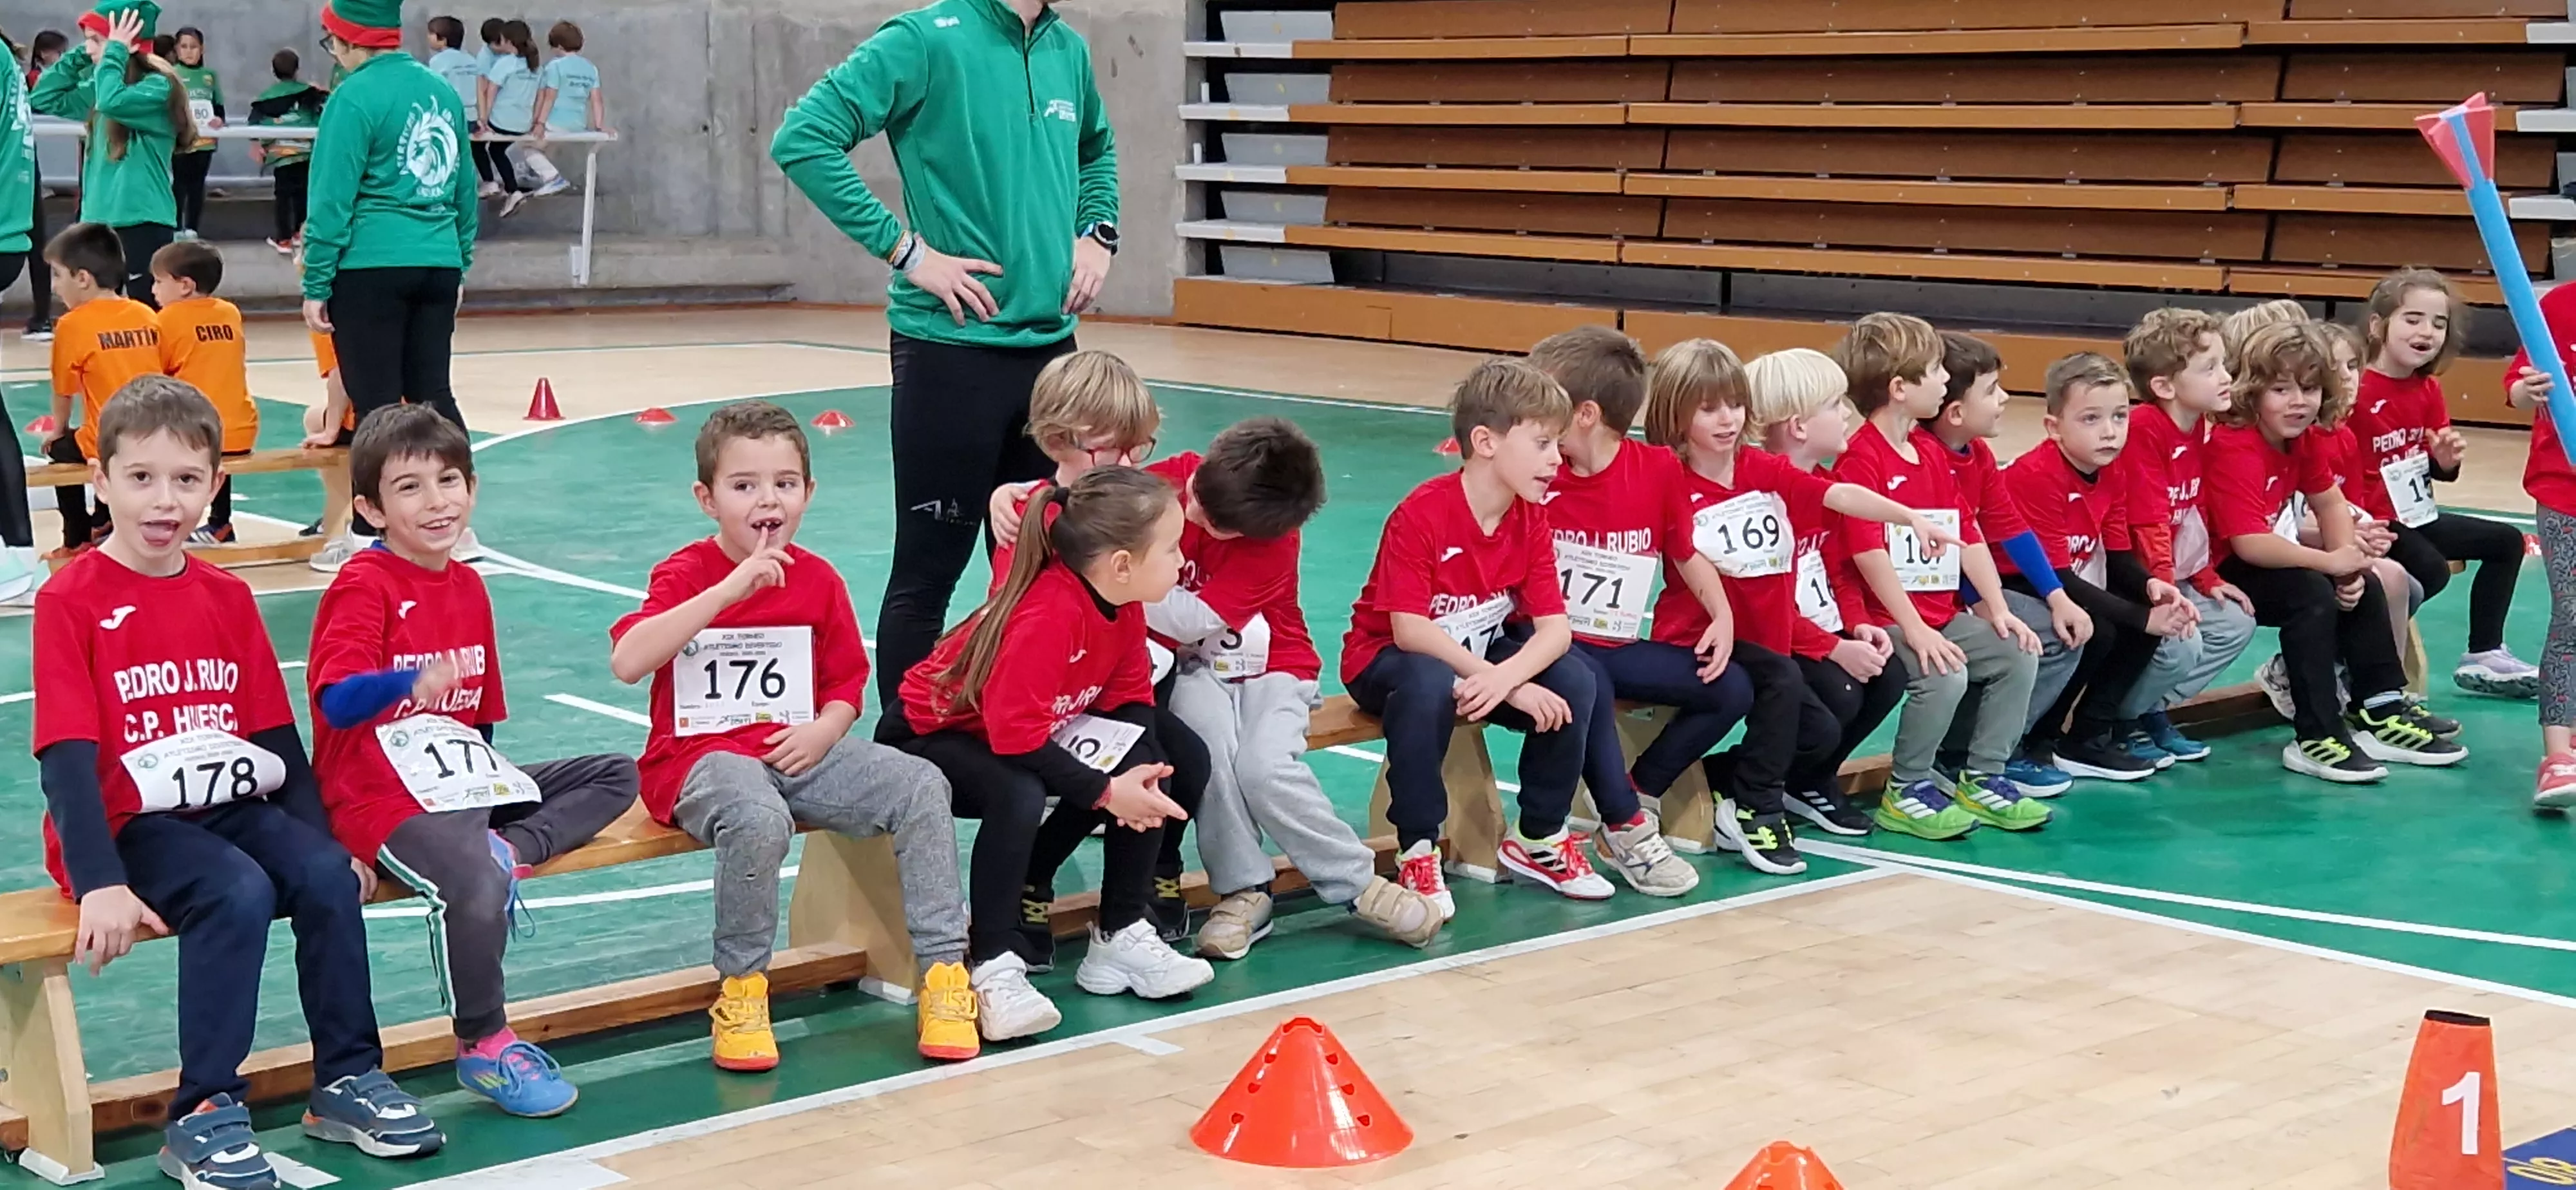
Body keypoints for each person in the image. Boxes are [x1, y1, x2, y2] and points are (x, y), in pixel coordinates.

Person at [33, 377, 444, 1190]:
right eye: (142, 478)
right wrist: (100, 883)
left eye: (187, 481)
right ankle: (204, 1110)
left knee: (326, 875)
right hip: (128, 829)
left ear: (216, 484)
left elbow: (271, 736)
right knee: (236, 890)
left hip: (225, 805)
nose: (165, 501)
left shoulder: (225, 595)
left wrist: (324, 840)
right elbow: (67, 756)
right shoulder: (70, 598)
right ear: (101, 481)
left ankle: (346, 1079)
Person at [771, 0, 1120, 717]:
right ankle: (905, 751)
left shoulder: (1066, 50)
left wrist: (1098, 232)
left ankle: (1031, 732)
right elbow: (804, 139)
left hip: (1052, 355)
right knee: (928, 572)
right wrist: (907, 253)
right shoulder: (923, 40)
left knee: (1055, 564)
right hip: (950, 350)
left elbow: (1096, 150)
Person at [608, 401, 982, 1068]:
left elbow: (846, 683)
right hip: (703, 760)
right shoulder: (686, 573)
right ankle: (743, 988)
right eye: (744, 485)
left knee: (921, 783)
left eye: (784, 483)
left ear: (808, 493)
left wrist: (824, 730)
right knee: (756, 814)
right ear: (707, 498)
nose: (766, 500)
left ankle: (944, 974)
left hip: (799, 753)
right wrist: (726, 592)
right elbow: (629, 661)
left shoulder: (819, 579)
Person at [310, 406, 638, 1118]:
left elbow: (479, 719)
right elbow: (336, 702)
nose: (437, 502)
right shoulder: (364, 586)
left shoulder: (469, 587)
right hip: (380, 797)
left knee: (616, 773)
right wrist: (407, 683)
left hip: (460, 785)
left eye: (449, 481)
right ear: (369, 508)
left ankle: (507, 848)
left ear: (473, 488)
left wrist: (493, 796)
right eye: (410, 488)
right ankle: (483, 1042)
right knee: (472, 879)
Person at [893, 465, 1215, 1012]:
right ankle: (991, 961)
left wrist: (1133, 776)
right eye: (1172, 548)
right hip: (930, 734)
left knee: (1155, 759)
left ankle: (1121, 932)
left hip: (1019, 730)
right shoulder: (1047, 615)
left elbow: (1133, 700)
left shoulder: (1123, 604)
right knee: (1017, 792)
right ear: (1121, 565)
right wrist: (1108, 792)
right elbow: (1015, 738)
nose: (1183, 561)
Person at [1137, 419, 1444, 959]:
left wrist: (1120, 586)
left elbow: (1188, 619)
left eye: (1212, 522)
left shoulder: (1274, 542)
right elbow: (1077, 504)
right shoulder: (1169, 483)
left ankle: (1355, 882)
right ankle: (1243, 890)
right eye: (1196, 498)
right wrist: (1013, 497)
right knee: (1207, 752)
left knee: (1262, 766)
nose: (1189, 515)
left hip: (1274, 664)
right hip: (1193, 669)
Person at [1641, 337, 1949, 874]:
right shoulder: (1667, 478)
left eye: (1734, 405)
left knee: (1817, 715)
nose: (1727, 419)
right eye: (1708, 408)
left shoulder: (1757, 467)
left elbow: (1840, 497)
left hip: (1766, 638)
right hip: (1701, 637)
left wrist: (1909, 516)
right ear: (1675, 412)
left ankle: (1742, 790)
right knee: (1784, 683)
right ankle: (1752, 806)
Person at [1344, 359, 1606, 914]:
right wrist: (1502, 683)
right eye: (1541, 443)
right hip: (1391, 659)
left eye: (1557, 444)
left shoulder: (1530, 517)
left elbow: (1555, 630)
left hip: (1481, 658)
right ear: (1485, 442)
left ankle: (1538, 837)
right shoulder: (1423, 513)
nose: (1556, 459)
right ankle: (1417, 848)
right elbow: (1409, 629)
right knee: (1429, 684)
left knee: (1576, 681)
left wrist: (1508, 675)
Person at [969, 352, 1206, 951]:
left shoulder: (1137, 499)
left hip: (1100, 690)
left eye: (1140, 448)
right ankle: (1033, 878)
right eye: (1112, 451)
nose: (1127, 465)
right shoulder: (1027, 520)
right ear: (1056, 440)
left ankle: (1143, 883)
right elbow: (1018, 630)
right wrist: (1008, 494)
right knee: (1094, 773)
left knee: (1177, 759)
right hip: (1039, 700)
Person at [2206, 321, 2463, 782]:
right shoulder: (2235, 446)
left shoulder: (2300, 438)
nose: (2298, 401)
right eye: (2281, 389)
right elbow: (2248, 543)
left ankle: (2379, 711)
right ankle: (2316, 735)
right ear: (2251, 392)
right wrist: (2330, 563)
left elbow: (2329, 501)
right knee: (2310, 594)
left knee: (2360, 585)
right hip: (2214, 565)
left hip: (2260, 553)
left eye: (2308, 389)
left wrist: (2347, 561)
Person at [1526, 327, 1730, 891]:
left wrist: (1722, 615)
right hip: (1546, 641)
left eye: (1545, 396)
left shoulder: (1657, 469)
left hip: (1614, 642)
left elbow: (1684, 551)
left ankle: (1637, 790)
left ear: (1586, 413)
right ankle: (1626, 828)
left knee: (1730, 686)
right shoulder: (1539, 474)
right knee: (1584, 681)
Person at [1830, 313, 2047, 839]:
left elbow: (1966, 532)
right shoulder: (1861, 460)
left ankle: (1984, 776)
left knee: (2016, 649)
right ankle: (1905, 789)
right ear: (1900, 389)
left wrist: (1997, 609)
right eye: (1934, 370)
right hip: (1886, 621)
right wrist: (1918, 629)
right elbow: (1868, 555)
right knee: (1941, 673)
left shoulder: (1930, 452)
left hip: (1939, 614)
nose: (1947, 379)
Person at [303, 0, 480, 570]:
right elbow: (464, 188)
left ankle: (366, 536)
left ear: (348, 42)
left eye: (333, 44)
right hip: (437, 259)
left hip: (370, 265)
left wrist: (317, 279)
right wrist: (460, 259)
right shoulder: (442, 93)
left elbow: (332, 196)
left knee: (376, 402)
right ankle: (456, 522)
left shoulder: (353, 98)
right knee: (435, 393)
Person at [2000, 354, 2200, 782]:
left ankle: (2088, 737)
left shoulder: (2112, 470)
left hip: (2058, 579)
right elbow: (2055, 576)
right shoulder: (2036, 475)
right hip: (2016, 581)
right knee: (2100, 629)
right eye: (2091, 419)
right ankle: (2034, 739)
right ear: (2054, 427)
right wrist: (2141, 617)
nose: (2110, 431)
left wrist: (2153, 589)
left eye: (2120, 416)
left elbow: (2119, 555)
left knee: (2139, 623)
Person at [2350, 268, 2541, 699]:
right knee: (2430, 569)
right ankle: (2360, 649)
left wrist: (2444, 462)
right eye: (2413, 319)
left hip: (2415, 515)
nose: (2428, 332)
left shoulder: (2428, 389)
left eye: (2439, 324)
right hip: (2372, 521)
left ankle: (2485, 653)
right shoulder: (2355, 390)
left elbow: (2429, 466)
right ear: (2379, 326)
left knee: (2506, 542)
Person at [1747, 348, 1906, 838]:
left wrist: (1856, 622)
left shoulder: (1826, 486)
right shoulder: (1759, 500)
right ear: (1798, 426)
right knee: (1832, 701)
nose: (1848, 415)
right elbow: (1763, 606)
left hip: (1817, 626)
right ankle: (1733, 779)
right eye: (1836, 404)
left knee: (1889, 675)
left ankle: (1811, 779)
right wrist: (1834, 647)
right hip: (1772, 637)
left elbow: (1837, 569)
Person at [1921, 332, 2091, 793]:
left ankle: (1997, 747)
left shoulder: (1976, 454)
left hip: (1964, 593)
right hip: (1930, 599)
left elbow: (2010, 527)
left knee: (2058, 630)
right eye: (1993, 390)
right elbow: (1948, 541)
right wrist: (1980, 603)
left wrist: (2058, 598)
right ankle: (1958, 753)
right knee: (2013, 639)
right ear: (1955, 412)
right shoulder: (1926, 458)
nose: (2006, 399)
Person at [2117, 308, 2259, 762]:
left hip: (2171, 572)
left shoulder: (2197, 424)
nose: (2226, 377)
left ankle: (2148, 707)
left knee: (2235, 621)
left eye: (2224, 365)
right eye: (2210, 368)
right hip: (2133, 576)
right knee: (2184, 639)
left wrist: (2206, 579)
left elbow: (2190, 514)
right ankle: (2115, 719)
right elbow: (2148, 520)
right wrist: (2167, 592)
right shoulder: (2145, 429)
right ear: (2163, 386)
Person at [30, 1, 191, 305]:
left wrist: (114, 50)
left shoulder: (158, 87)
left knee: (148, 315)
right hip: (96, 221)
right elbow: (43, 96)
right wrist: (84, 53)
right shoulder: (101, 87)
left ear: (126, 44)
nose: (88, 49)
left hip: (142, 220)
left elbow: (112, 102)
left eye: (95, 40)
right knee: (102, 317)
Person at [39, 222, 161, 558]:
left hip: (109, 437)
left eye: (57, 276)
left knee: (59, 453)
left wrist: (58, 431)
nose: (54, 287)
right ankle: (104, 519)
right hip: (158, 430)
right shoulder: (146, 314)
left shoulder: (73, 325)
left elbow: (64, 391)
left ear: (83, 279)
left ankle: (76, 537)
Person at [2507, 282, 2576, 808]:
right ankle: (2558, 756)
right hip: (2564, 489)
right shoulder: (2557, 306)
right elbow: (2516, 384)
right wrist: (2526, 392)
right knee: (2573, 616)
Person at [149, 240, 251, 543]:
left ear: (184, 286)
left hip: (195, 432)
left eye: (158, 281)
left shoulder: (164, 320)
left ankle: (167, 517)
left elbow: (157, 377)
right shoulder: (229, 312)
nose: (153, 290)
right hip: (241, 428)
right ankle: (221, 522)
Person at [247, 49, 324, 254]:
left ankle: (284, 239)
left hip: (281, 155)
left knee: (283, 196)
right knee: (303, 194)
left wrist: (256, 144)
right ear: (297, 69)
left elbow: (254, 122)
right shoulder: (309, 93)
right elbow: (322, 111)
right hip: (306, 152)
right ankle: (301, 232)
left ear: (274, 71)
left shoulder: (265, 99)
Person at [22, 29, 65, 341]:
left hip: (23, 172)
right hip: (18, 172)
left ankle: (41, 316)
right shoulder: (30, 78)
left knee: (38, 244)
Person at [480, 19, 542, 215]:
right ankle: (512, 189)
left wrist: (484, 120)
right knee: (498, 151)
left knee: (477, 142)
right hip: (523, 123)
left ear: (507, 40)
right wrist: (536, 122)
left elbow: (489, 93)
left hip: (501, 120)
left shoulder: (505, 63)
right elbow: (541, 97)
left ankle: (491, 183)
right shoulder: (535, 66)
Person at [166, 25, 217, 240]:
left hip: (204, 141)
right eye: (184, 47)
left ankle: (193, 229)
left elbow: (218, 105)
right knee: (179, 185)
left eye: (194, 47)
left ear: (202, 49)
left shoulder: (209, 76)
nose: (189, 51)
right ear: (177, 49)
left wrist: (218, 120)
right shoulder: (171, 74)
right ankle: (176, 228)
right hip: (180, 141)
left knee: (197, 187)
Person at [530, 21, 606, 150]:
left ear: (559, 46)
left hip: (554, 123)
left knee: (529, 149)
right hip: (578, 125)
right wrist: (599, 126)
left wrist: (540, 123)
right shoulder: (591, 68)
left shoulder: (554, 66)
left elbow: (549, 97)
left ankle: (550, 172)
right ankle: (547, 170)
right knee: (548, 152)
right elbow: (597, 100)